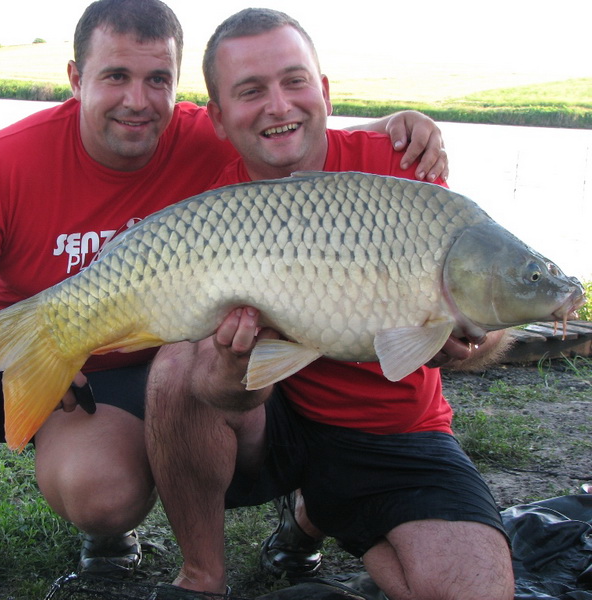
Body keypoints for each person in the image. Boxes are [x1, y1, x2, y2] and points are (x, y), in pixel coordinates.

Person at [0, 1, 449, 598]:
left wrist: (397, 125)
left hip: (128, 371)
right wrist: (19, 347)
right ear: (76, 78)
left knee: (101, 495)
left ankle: (115, 532)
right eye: (116, 76)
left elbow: (290, 131)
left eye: (158, 80)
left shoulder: (200, 137)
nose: (138, 101)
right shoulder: (10, 159)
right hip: (30, 341)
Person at [145, 8, 514, 600]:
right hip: (273, 420)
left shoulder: (402, 169)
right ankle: (201, 578)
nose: (278, 106)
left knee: (471, 591)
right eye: (251, 91)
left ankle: (316, 512)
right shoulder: (218, 208)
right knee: (176, 370)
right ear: (217, 117)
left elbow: (484, 297)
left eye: (294, 82)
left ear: (323, 91)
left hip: (392, 430)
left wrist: (474, 340)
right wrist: (232, 370)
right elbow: (220, 392)